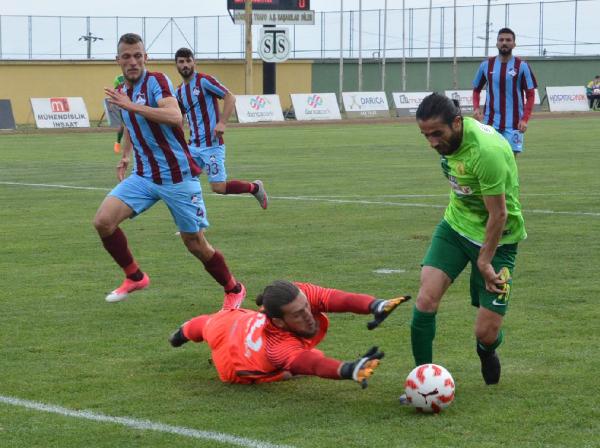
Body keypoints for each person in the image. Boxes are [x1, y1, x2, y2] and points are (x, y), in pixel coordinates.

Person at [95, 33, 245, 307]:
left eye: (138, 56)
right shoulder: (123, 91)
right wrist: (125, 156)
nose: (133, 62)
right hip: (144, 176)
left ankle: (233, 288)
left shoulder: (156, 81)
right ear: (118, 60)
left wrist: (132, 106)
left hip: (177, 177)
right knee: (103, 222)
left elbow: (175, 116)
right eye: (126, 57)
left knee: (195, 243)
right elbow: (130, 123)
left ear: (145, 58)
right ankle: (135, 276)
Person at [405, 93, 526, 394]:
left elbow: (499, 214)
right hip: (455, 228)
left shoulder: (486, 152)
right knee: (425, 300)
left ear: (457, 123)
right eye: (425, 135)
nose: (432, 142)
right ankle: (422, 381)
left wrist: (484, 262)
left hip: (499, 238)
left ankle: (487, 351)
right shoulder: (449, 140)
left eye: (437, 133)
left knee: (486, 332)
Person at [169, 280, 411, 386]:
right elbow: (313, 364)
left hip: (241, 320)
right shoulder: (276, 346)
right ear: (279, 322)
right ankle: (180, 333)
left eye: (306, 306)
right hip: (234, 361)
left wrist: (374, 304)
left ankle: (183, 331)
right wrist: (348, 369)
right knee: (205, 326)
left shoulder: (297, 294)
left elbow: (336, 298)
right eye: (297, 313)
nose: (307, 313)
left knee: (214, 322)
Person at [174, 47, 268, 209]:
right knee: (183, 183)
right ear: (176, 65)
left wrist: (222, 122)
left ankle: (255, 188)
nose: (185, 65)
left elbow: (230, 97)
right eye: (181, 62)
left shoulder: (204, 81)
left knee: (219, 187)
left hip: (212, 145)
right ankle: (194, 226)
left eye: (188, 61)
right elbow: (178, 116)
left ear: (194, 62)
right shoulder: (179, 91)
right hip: (193, 146)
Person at [472, 28, 537, 157]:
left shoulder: (522, 66)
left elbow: (530, 95)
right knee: (490, 160)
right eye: (501, 40)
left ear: (514, 44)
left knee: (510, 162)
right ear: (496, 43)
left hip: (514, 124)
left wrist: (525, 119)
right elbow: (476, 90)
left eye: (508, 40)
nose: (504, 43)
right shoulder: (486, 65)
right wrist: (476, 108)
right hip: (490, 123)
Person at [112, 74, 125, 153]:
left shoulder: (135, 75)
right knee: (124, 125)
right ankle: (118, 142)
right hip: (123, 105)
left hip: (134, 103)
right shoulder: (118, 78)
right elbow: (116, 91)